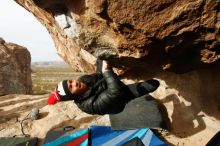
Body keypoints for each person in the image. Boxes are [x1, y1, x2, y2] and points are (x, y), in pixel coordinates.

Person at [48, 58, 160, 115]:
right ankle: (131, 95)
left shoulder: (82, 80)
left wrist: (103, 62)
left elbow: (98, 75)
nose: (74, 83)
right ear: (72, 96)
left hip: (108, 87)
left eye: (70, 82)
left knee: (101, 56)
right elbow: (115, 92)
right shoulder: (88, 106)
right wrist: (107, 71)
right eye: (71, 87)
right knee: (153, 84)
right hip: (119, 99)